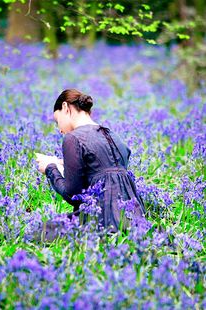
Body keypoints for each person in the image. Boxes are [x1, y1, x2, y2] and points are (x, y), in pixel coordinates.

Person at [35, 89, 145, 241]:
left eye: (57, 121)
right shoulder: (113, 135)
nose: (59, 129)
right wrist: (62, 163)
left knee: (39, 232)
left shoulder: (73, 138)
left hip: (101, 219)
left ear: (66, 108)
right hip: (134, 220)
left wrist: (50, 168)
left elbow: (73, 195)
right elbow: (104, 170)